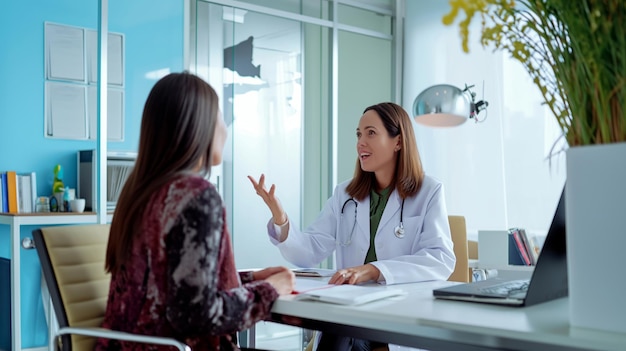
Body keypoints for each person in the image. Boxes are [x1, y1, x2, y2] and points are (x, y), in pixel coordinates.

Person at [96, 72, 295, 351]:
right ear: (197, 125)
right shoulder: (197, 196)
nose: (226, 129)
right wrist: (270, 290)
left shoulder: (138, 192)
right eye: (221, 118)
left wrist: (248, 278)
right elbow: (197, 316)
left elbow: (169, 284)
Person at [248, 102, 455, 351]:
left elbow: (440, 258)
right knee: (342, 332)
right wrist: (280, 217)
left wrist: (373, 270)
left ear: (398, 142)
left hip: (399, 315)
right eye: (358, 134)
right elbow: (307, 252)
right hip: (352, 311)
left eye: (371, 133)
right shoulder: (345, 194)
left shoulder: (428, 191)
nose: (360, 143)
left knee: (341, 335)